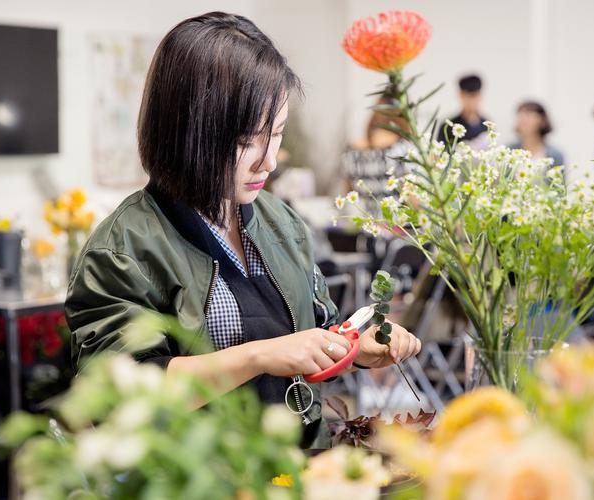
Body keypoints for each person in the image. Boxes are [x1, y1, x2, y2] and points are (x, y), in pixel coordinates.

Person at [65, 12, 421, 448]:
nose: (268, 161)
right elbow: (118, 397)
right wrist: (258, 357)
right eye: (247, 141)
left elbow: (320, 332)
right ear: (188, 131)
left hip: (297, 468)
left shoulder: (280, 222)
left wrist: (354, 349)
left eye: (277, 134)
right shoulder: (124, 249)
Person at [438, 74, 489, 148]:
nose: (473, 101)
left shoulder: (487, 124)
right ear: (461, 96)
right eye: (470, 96)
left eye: (476, 96)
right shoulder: (448, 126)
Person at [509, 101, 564, 166]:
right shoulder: (510, 151)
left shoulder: (555, 155)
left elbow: (559, 176)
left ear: (542, 120)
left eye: (528, 115)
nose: (523, 120)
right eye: (520, 116)